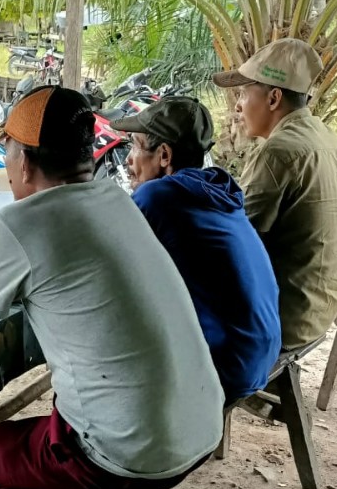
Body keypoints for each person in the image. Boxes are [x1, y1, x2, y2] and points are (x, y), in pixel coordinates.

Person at [0, 86, 225, 489]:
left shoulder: (17, 222)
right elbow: (43, 278)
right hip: (202, 425)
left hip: (127, 456)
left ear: (26, 163)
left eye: (10, 152)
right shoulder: (116, 199)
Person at [110, 96, 281, 404]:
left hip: (226, 366)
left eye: (135, 146)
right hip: (259, 352)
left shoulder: (158, 196)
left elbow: (112, 264)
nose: (127, 160)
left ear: (164, 155)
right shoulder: (217, 190)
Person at [212, 38, 337, 350]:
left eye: (243, 92)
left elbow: (236, 237)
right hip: (319, 308)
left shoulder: (279, 151)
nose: (237, 104)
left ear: (274, 97)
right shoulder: (329, 140)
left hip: (285, 318)